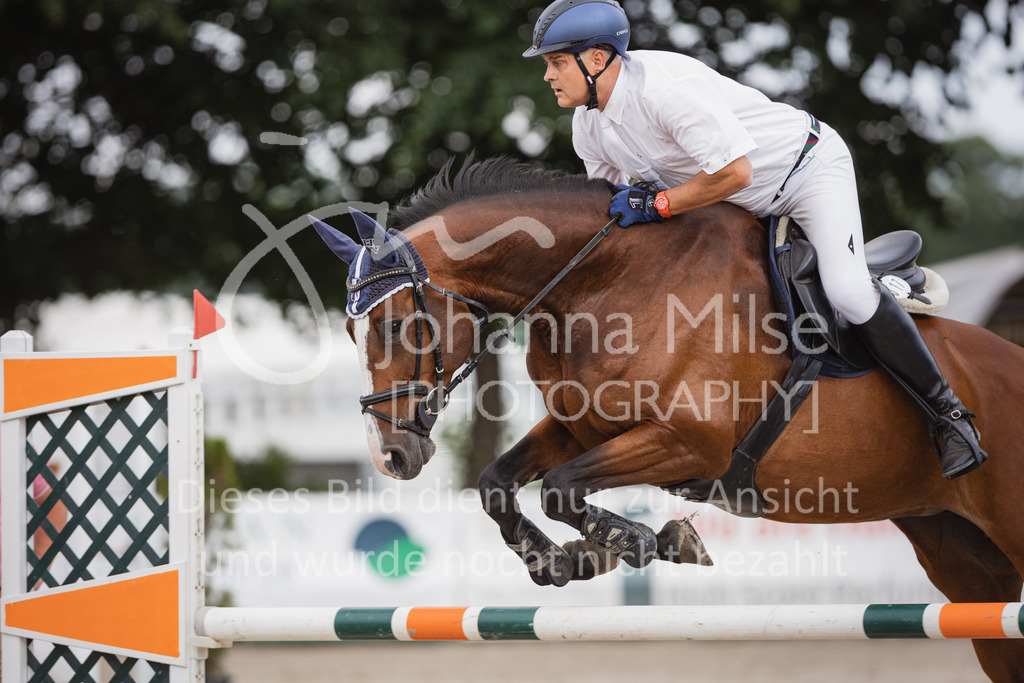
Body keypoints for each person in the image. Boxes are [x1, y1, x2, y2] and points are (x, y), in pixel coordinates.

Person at [522, 0, 987, 479]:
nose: (548, 76)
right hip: (733, 203)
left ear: (596, 59)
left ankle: (950, 416)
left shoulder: (665, 90)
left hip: (805, 175)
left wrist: (657, 205)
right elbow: (618, 205)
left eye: (556, 62)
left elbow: (734, 172)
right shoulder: (588, 123)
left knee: (846, 289)